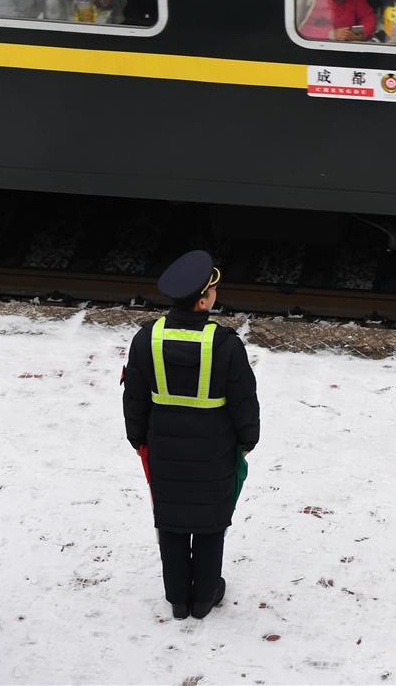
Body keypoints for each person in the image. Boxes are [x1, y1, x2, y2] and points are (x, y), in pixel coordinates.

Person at [122, 250, 260, 620]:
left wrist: (138, 439)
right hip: (215, 450)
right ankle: (204, 598)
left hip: (165, 446)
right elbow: (243, 400)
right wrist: (248, 439)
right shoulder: (226, 344)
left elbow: (134, 396)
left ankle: (178, 599)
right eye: (213, 290)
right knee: (211, 522)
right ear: (203, 300)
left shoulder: (146, 339)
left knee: (171, 521)